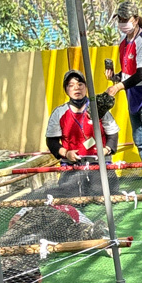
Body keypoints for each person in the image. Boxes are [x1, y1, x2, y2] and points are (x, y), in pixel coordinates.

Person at [105, 1, 142, 194]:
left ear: (136, 19)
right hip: (133, 96)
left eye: (126, 19)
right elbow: (128, 74)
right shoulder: (124, 43)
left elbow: (141, 72)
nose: (123, 23)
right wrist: (114, 77)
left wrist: (118, 86)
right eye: (120, 19)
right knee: (139, 140)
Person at [45, 70, 120, 198]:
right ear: (66, 90)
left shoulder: (98, 108)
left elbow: (113, 134)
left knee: (104, 193)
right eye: (71, 85)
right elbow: (51, 142)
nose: (76, 88)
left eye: (80, 84)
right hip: (72, 166)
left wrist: (106, 150)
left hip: (99, 164)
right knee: (70, 196)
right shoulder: (59, 112)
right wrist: (66, 154)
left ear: (86, 87)